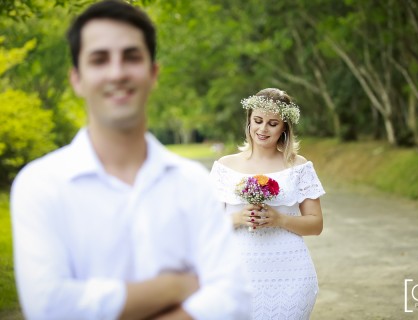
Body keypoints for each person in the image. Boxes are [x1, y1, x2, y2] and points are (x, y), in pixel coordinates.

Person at [10, 1, 251, 319]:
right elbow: (49, 307)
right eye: (99, 59)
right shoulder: (40, 184)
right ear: (76, 78)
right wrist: (175, 287)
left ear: (153, 73)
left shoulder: (193, 182)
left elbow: (234, 301)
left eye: (131, 57)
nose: (117, 72)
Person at [209, 88, 325, 319]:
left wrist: (280, 219)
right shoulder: (224, 166)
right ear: (249, 121)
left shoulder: (299, 166)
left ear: (284, 127)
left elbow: (316, 225)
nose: (263, 129)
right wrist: (238, 218)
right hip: (236, 274)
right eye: (258, 121)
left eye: (272, 123)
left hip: (291, 274)